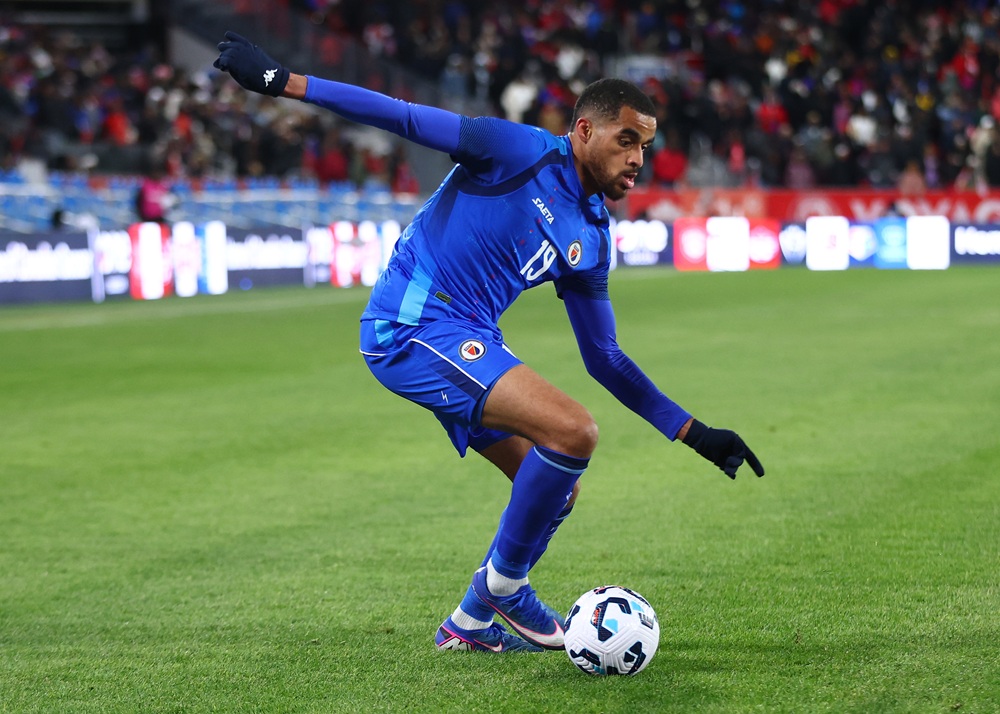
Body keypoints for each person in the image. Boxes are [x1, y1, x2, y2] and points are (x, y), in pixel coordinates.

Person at [214, 32, 765, 654]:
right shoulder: (516, 149)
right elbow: (403, 116)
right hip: (412, 326)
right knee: (574, 431)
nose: (639, 157)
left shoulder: (592, 235)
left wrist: (693, 432)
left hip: (463, 337)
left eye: (647, 145)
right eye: (627, 139)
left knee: (557, 486)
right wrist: (285, 82)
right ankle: (506, 588)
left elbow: (604, 358)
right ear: (584, 131)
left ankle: (468, 626)